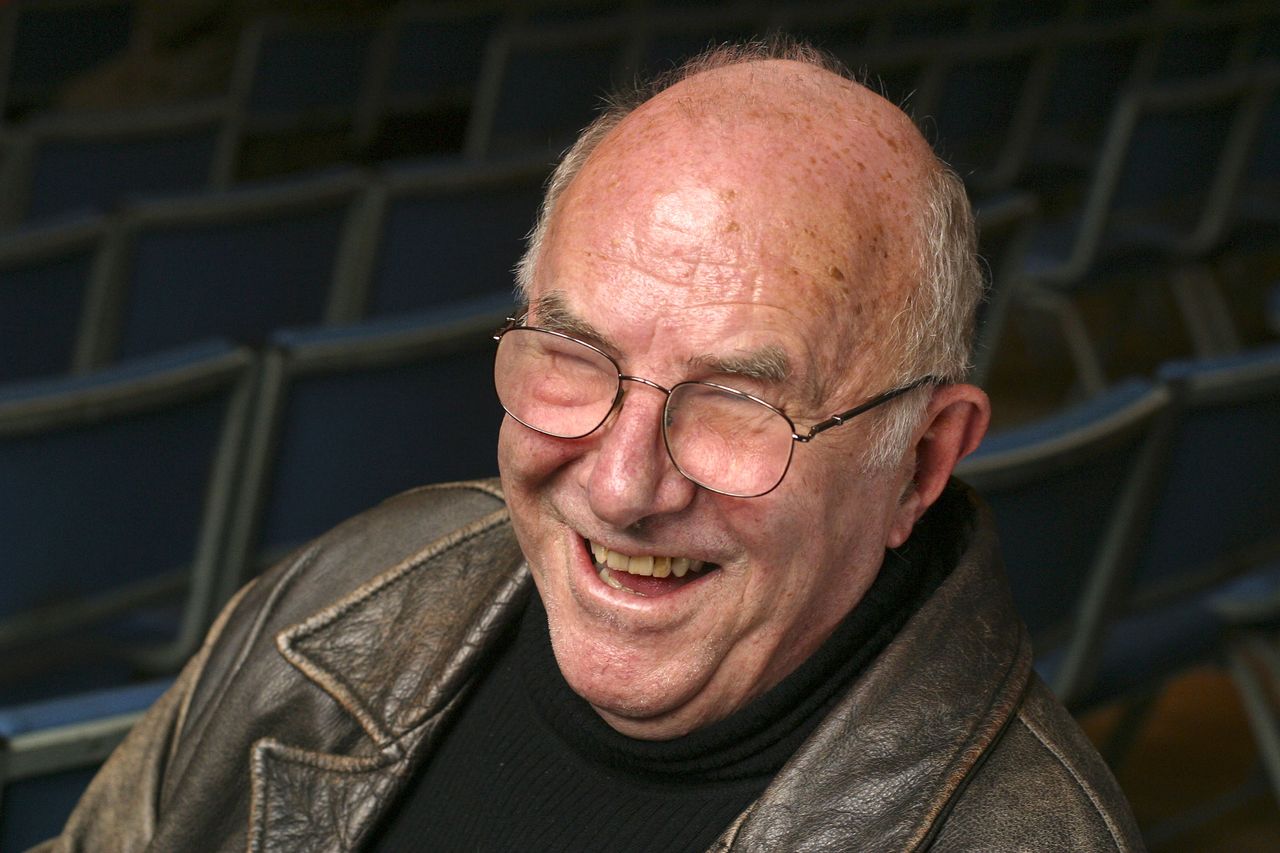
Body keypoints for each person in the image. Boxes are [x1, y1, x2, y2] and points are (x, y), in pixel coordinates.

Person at [36, 42, 1143, 852]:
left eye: (735, 404)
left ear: (918, 461)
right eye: (574, 360)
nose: (620, 486)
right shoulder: (361, 585)